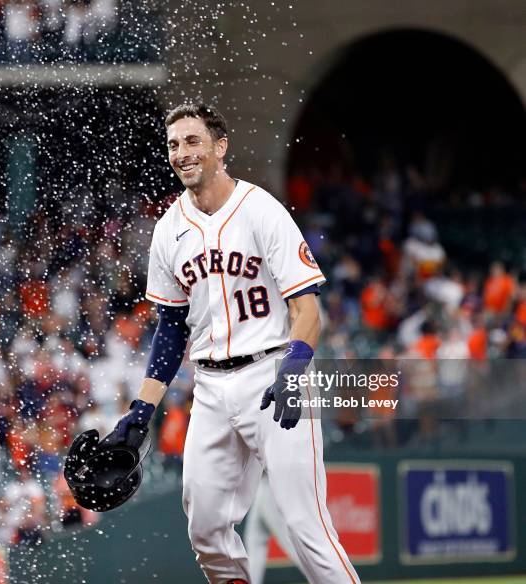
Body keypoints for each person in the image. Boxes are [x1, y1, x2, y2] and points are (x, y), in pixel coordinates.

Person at [99, 103, 360, 583]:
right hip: (212, 388)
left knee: (306, 527)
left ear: (221, 148)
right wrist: (141, 410)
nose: (182, 153)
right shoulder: (167, 232)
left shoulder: (261, 211)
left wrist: (294, 368)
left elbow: (308, 310)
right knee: (206, 528)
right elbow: (172, 329)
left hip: (274, 374)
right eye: (174, 144)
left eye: (193, 141)